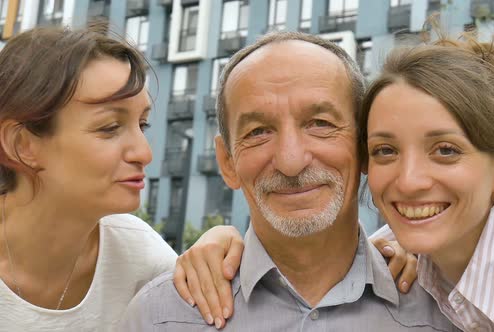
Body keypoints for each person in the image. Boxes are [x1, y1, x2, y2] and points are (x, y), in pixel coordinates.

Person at [179, 34, 494, 331]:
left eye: (445, 150)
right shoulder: (413, 243)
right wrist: (221, 239)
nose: (409, 183)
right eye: (386, 151)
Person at [117, 31, 458, 332]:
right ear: (227, 162)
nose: (291, 161)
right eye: (259, 132)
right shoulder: (159, 319)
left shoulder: (451, 315)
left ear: (364, 143)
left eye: (320, 124)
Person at [0, 23, 214, 331]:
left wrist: (219, 256)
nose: (144, 153)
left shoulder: (144, 260)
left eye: (143, 125)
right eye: (109, 128)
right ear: (23, 145)